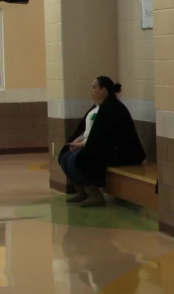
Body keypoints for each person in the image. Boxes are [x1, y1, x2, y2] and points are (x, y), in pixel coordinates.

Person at [60, 76, 145, 207]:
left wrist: (82, 145)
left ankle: (95, 196)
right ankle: (83, 192)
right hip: (100, 146)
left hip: (120, 152)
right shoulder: (97, 107)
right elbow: (88, 130)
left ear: (104, 90)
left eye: (94, 88)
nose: (91, 91)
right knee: (65, 156)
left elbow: (104, 136)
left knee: (74, 160)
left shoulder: (113, 108)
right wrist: (79, 139)